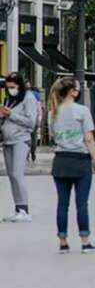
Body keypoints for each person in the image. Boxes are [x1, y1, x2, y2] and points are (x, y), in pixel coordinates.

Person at [47, 77, 95, 253]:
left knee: (62, 204)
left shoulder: (52, 112)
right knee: (81, 203)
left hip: (61, 160)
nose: (78, 91)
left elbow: (53, 137)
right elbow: (89, 138)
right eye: (77, 89)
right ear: (72, 91)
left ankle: (63, 242)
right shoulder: (82, 111)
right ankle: (85, 241)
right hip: (80, 160)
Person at [1, 72, 40, 222]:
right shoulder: (10, 99)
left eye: (13, 87)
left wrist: (11, 115)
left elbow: (31, 122)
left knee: (18, 174)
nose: (10, 89)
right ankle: (18, 208)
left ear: (20, 86)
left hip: (21, 140)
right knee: (11, 176)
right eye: (8, 87)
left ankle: (24, 209)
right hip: (7, 140)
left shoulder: (28, 98)